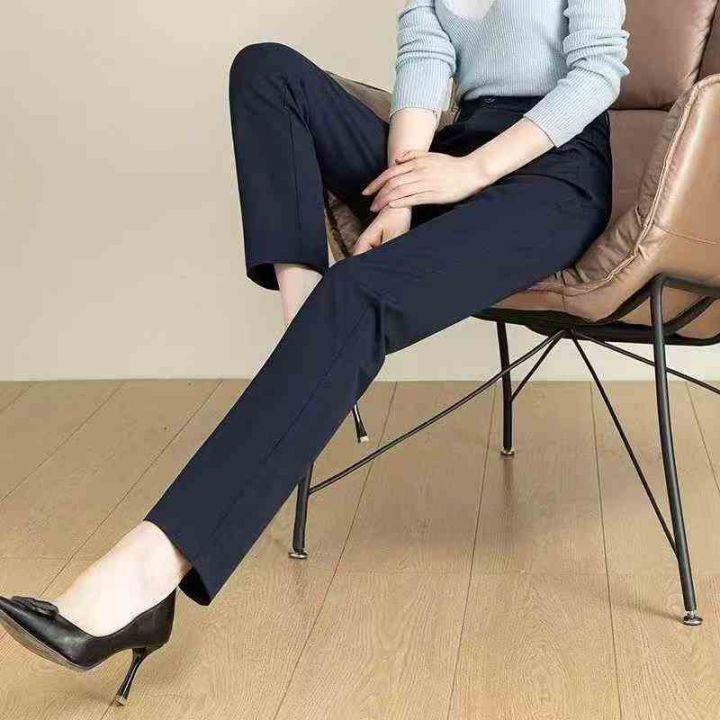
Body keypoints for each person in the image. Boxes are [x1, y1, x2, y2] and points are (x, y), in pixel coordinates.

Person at [0, 0, 629, 705]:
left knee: (357, 292)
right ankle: (308, 325)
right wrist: (403, 193)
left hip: (549, 170)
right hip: (448, 154)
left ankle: (150, 571)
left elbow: (599, 71)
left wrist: (471, 172)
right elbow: (425, 62)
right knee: (266, 72)